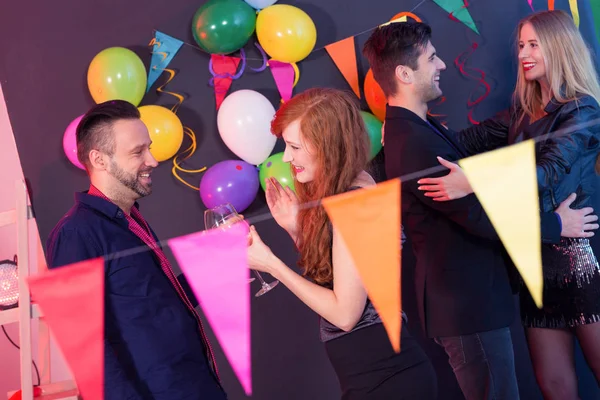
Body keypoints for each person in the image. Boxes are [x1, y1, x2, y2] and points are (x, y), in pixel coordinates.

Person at [362, 20, 598, 400]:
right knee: (551, 383)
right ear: (406, 73)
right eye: (521, 45)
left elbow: (551, 170)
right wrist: (362, 171)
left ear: (558, 48)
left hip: (576, 253)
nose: (522, 54)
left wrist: (475, 180)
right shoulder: (518, 114)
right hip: (526, 264)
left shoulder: (582, 109)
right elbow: (456, 155)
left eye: (533, 45)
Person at [245, 87, 437, 400]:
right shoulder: (356, 185)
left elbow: (346, 315)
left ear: (326, 145)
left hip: (387, 379)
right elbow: (340, 278)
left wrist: (271, 265)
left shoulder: (355, 203)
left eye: (294, 146)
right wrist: (297, 230)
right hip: (374, 376)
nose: (288, 157)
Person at [45, 100, 227, 400]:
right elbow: (86, 352)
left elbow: (158, 304)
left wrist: (217, 257)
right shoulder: (75, 234)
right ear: (100, 159)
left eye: (149, 148)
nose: (153, 160)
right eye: (138, 152)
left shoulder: (130, 220)